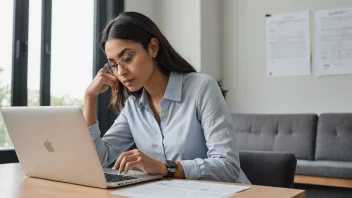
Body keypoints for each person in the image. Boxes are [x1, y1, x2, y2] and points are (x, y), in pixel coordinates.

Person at [84, 11, 250, 184]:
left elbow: (228, 166)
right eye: (113, 65)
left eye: (127, 58)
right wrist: (90, 97)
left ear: (153, 48)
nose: (121, 72)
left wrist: (164, 167)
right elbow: (99, 159)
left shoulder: (202, 87)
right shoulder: (134, 106)